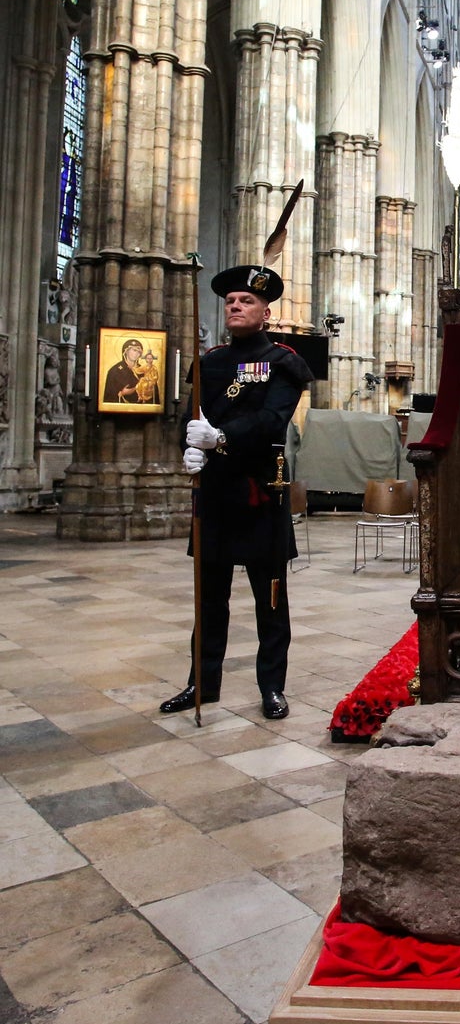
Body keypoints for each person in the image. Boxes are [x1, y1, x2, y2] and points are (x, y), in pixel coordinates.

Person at [160, 264, 313, 720]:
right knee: (208, 600)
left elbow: (272, 422)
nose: (235, 306)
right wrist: (189, 449)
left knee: (269, 599)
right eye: (230, 301)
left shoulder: (283, 362)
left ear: (266, 312)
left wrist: (220, 439)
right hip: (216, 495)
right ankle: (202, 684)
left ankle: (272, 687)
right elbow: (191, 419)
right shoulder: (208, 363)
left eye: (246, 301)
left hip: (261, 492)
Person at [103, 338, 148, 404]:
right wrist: (122, 393)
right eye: (134, 350)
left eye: (139, 352)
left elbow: (152, 394)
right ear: (126, 351)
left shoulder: (144, 371)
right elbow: (109, 396)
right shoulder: (115, 371)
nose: (136, 354)